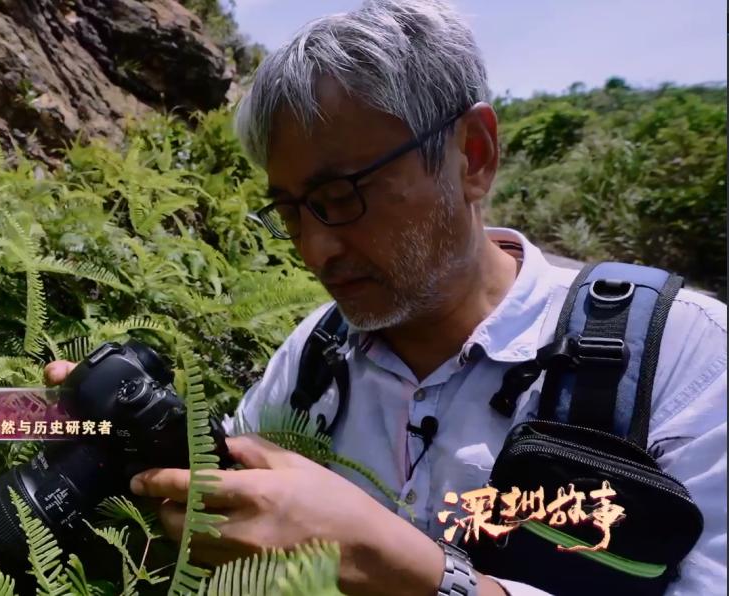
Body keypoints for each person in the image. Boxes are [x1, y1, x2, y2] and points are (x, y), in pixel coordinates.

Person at [45, 1, 727, 594]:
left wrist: (415, 574)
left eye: (341, 198)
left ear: (474, 154)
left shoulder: (685, 358)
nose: (315, 250)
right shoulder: (314, 356)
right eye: (289, 213)